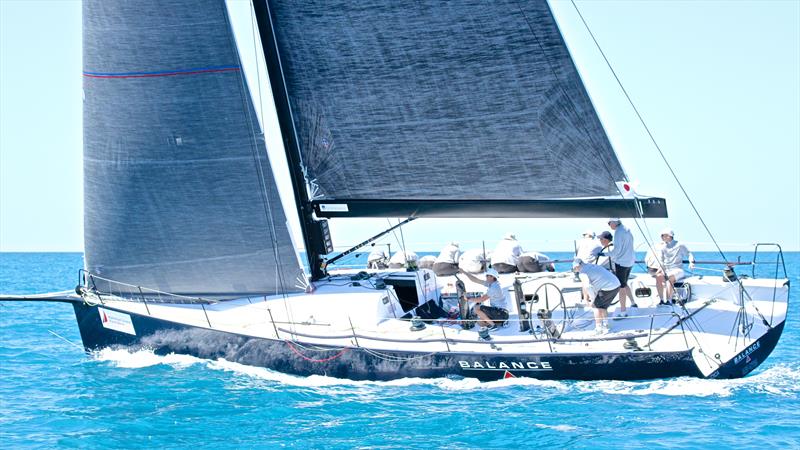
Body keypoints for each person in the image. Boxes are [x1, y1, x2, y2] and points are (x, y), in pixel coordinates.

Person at [573, 258, 621, 335]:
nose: (575, 271)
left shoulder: (582, 273)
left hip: (608, 287)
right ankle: (606, 324)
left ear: (577, 267)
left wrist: (592, 299)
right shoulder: (591, 265)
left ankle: (598, 328)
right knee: (603, 306)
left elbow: (588, 286)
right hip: (616, 284)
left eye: (574, 269)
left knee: (596, 307)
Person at [654, 228, 695, 305]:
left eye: (664, 235)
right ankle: (662, 300)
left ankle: (669, 300)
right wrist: (660, 269)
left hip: (678, 270)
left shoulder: (680, 245)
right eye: (662, 236)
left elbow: (689, 254)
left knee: (670, 277)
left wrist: (691, 262)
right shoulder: (662, 247)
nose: (662, 237)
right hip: (666, 270)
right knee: (658, 276)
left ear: (670, 236)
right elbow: (661, 260)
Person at [606, 218, 636, 317]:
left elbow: (617, 250)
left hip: (622, 263)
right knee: (625, 283)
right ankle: (633, 303)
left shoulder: (618, 232)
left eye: (609, 223)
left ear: (614, 223)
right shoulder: (627, 229)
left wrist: (606, 254)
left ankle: (623, 311)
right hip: (630, 261)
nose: (609, 225)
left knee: (621, 287)